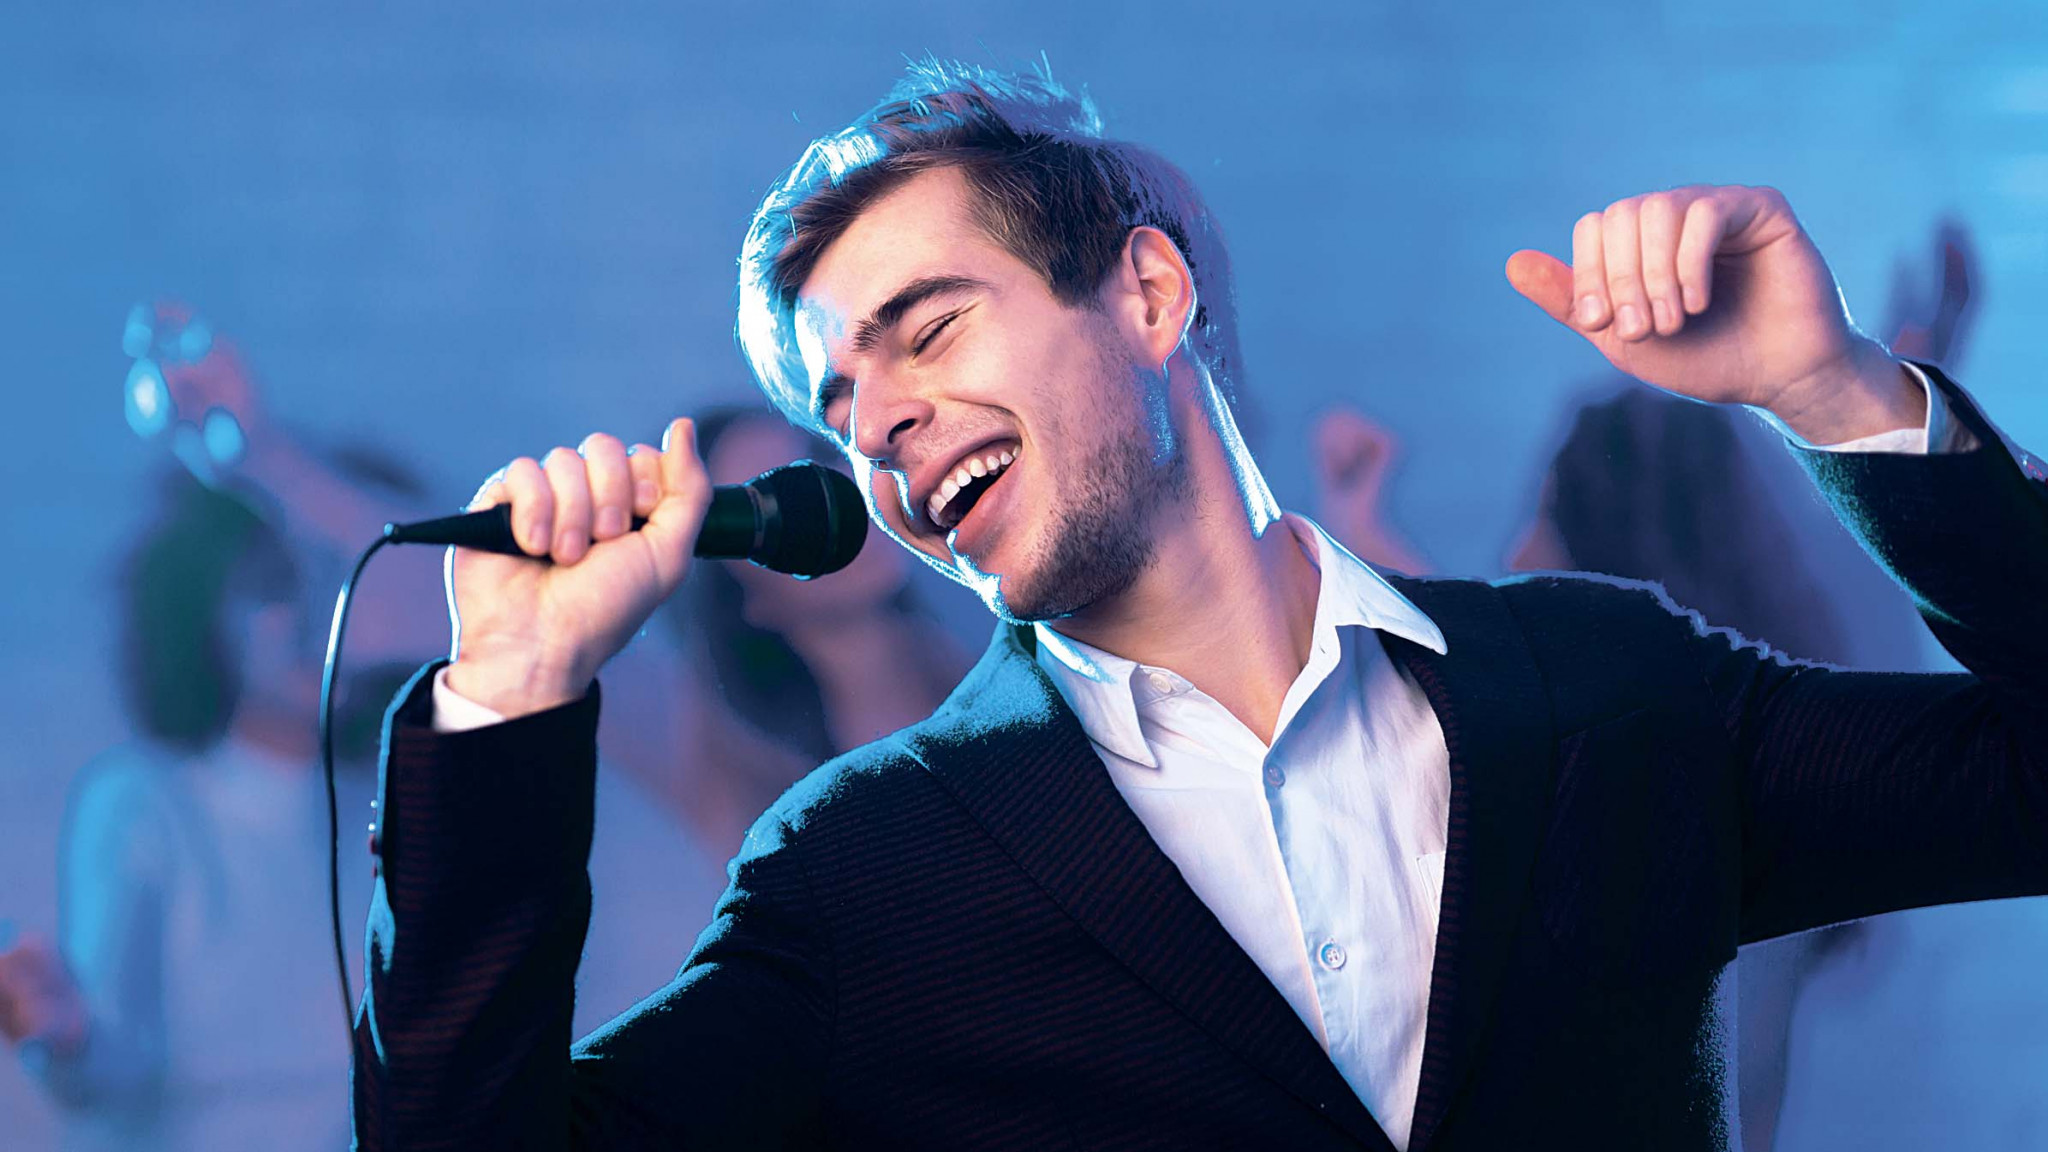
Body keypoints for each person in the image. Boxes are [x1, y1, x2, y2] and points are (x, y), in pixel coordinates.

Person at [349, 62, 2048, 1150]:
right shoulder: (863, 869)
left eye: (928, 329)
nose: (879, 426)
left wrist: (1831, 388)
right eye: (842, 403)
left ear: (1148, 291)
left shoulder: (1608, 688)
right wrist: (507, 702)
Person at [648, 406, 971, 858]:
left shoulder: (1014, 652)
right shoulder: (780, 815)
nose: (835, 495)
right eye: (780, 512)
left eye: (819, 456)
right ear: (743, 603)